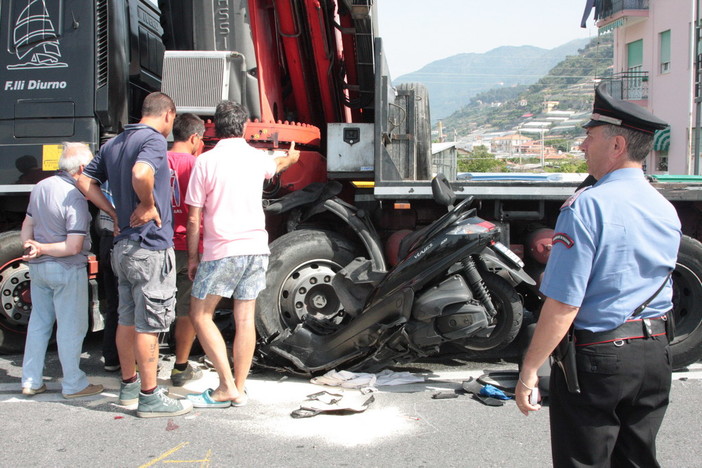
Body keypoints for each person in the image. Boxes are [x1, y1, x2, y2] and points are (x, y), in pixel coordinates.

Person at [516, 83, 682, 467]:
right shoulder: (663, 207)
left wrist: (528, 371)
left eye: (589, 137)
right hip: (656, 350)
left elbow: (563, 303)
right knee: (638, 459)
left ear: (617, 145)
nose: (582, 146)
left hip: (600, 357)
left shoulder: (586, 207)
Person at [77, 92, 193, 418]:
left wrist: (113, 213)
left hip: (122, 247)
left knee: (126, 319)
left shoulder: (113, 144)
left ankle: (128, 387)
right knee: (149, 325)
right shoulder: (154, 141)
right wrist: (146, 204)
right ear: (168, 115)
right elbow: (142, 174)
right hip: (149, 245)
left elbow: (85, 181)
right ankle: (150, 396)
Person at [184, 100, 299, 407]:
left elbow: (194, 217)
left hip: (222, 249)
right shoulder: (257, 158)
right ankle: (239, 387)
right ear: (245, 126)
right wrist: (291, 157)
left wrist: (193, 258)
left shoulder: (205, 162)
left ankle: (225, 387)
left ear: (215, 128)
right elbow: (278, 165)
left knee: (200, 314)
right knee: (244, 318)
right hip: (256, 249)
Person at [20, 142, 104, 399]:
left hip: (38, 270)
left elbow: (28, 223)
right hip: (66, 268)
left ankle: (31, 380)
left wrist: (31, 247)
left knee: (39, 324)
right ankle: (74, 384)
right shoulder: (75, 197)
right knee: (71, 327)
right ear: (81, 168)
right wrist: (43, 248)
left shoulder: (41, 187)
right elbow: (73, 246)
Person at [167, 113, 205, 386]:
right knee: (187, 310)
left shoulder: (155, 161)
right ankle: (180, 368)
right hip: (189, 245)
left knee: (150, 310)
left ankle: (139, 366)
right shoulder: (197, 165)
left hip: (158, 245)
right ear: (194, 137)